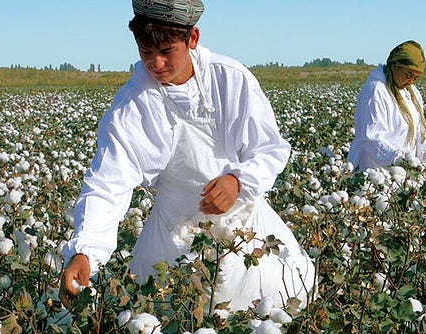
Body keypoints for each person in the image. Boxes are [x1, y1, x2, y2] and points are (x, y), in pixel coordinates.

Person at [60, 0, 315, 311]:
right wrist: (85, 251)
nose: (155, 63)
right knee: (172, 319)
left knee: (268, 308)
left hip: (244, 225)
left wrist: (237, 181)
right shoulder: (132, 105)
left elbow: (270, 148)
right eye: (145, 51)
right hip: (172, 234)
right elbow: (107, 183)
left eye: (166, 51)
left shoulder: (230, 79)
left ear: (192, 39)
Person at [347, 41, 426, 172]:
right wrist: (399, 159)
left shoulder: (411, 92)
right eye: (409, 75)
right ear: (394, 66)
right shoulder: (376, 90)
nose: (411, 82)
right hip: (374, 172)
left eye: (416, 77)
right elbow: (371, 139)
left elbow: (419, 130)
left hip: (403, 172)